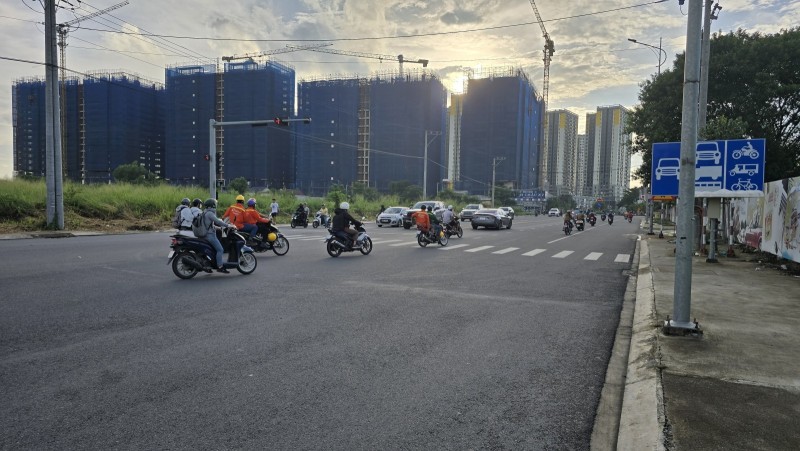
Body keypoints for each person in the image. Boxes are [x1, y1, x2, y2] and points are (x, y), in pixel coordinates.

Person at [200, 198, 236, 273]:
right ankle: (220, 266)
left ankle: (210, 265)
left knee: (214, 250)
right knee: (220, 250)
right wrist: (228, 225)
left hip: (206, 234)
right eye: (215, 204)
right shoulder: (210, 213)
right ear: (213, 205)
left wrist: (218, 228)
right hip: (210, 235)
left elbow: (209, 225)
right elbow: (217, 221)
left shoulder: (205, 212)